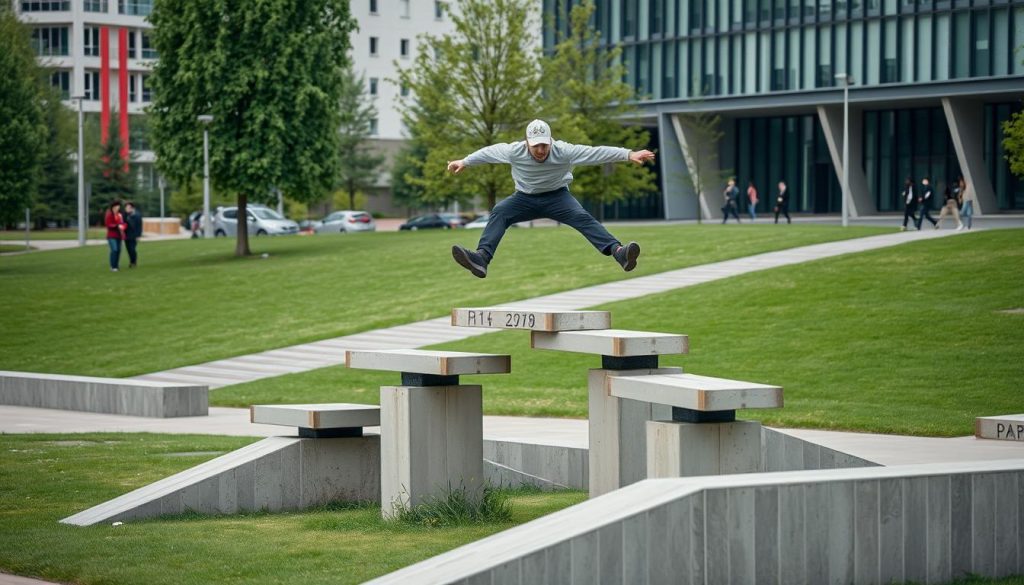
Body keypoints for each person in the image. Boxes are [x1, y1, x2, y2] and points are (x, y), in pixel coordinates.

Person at [446, 119, 654, 279]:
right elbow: (489, 153)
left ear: (550, 141)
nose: (540, 150)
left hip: (558, 197)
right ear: (527, 142)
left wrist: (628, 154)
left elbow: (596, 153)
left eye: (544, 145)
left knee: (582, 217)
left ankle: (619, 252)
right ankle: (481, 258)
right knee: (500, 211)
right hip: (523, 198)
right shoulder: (513, 151)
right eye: (535, 146)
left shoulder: (564, 151)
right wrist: (465, 161)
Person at [104, 199, 127, 272]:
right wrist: (117, 226)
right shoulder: (109, 214)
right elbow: (108, 224)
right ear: (113, 207)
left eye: (118, 206)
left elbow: (123, 223)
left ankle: (116, 265)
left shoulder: (119, 215)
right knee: (114, 250)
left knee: (118, 251)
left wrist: (123, 226)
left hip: (119, 236)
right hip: (111, 236)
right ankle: (112, 266)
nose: (117, 207)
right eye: (116, 206)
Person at [123, 201, 142, 267]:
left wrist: (138, 235)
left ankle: (134, 262)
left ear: (132, 208)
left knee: (132, 249)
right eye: (126, 207)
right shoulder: (124, 215)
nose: (127, 209)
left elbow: (139, 226)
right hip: (126, 235)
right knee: (128, 249)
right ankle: (131, 261)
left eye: (128, 207)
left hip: (134, 235)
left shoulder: (137, 215)